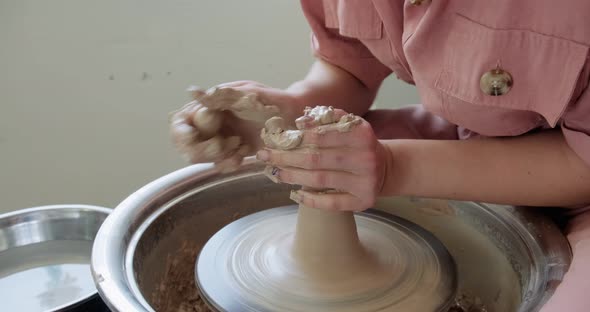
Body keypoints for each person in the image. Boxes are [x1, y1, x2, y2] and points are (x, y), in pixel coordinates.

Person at [170, 1, 590, 311]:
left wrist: (396, 168)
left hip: (577, 173)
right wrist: (285, 114)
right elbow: (350, 67)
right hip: (478, 137)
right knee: (303, 157)